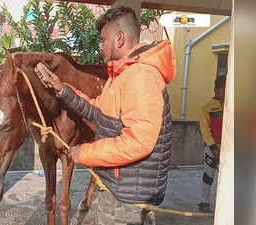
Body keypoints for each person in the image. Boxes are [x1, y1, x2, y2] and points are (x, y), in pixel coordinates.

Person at [36, 6, 175, 225]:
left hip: (129, 201)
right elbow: (97, 111)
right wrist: (62, 89)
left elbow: (138, 142)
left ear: (119, 38)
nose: (101, 46)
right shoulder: (123, 75)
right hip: (119, 189)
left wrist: (85, 152)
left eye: (104, 39)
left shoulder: (141, 77)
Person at [198, 75, 226, 212]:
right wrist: (213, 147)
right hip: (211, 149)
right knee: (208, 176)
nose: (225, 92)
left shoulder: (230, 106)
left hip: (227, 149)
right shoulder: (206, 107)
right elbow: (205, 129)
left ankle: (223, 205)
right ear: (216, 90)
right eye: (223, 89)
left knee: (226, 179)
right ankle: (204, 203)